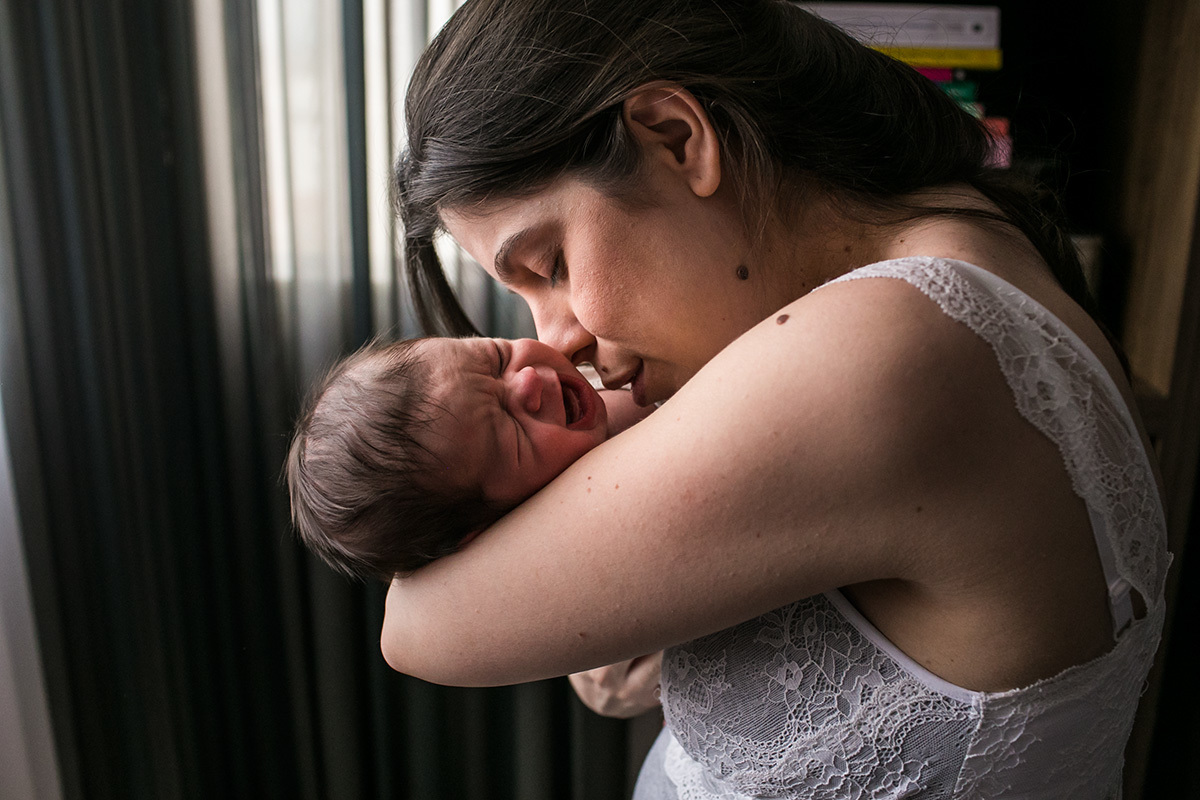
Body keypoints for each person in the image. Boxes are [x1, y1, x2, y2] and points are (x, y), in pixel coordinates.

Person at [382, 0, 1171, 797]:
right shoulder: (963, 239)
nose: (556, 340)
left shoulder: (883, 349)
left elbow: (416, 625)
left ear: (677, 138)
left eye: (549, 264)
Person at [285, 335, 650, 581]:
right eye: (510, 433)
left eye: (496, 357)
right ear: (491, 531)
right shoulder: (603, 534)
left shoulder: (592, 357)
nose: (527, 382)